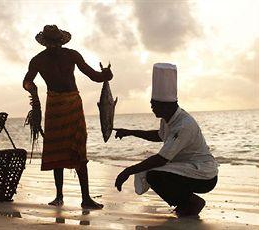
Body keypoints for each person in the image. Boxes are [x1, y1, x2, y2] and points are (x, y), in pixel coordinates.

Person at [23, 25, 113, 209]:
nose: (54, 46)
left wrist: (106, 75)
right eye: (51, 43)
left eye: (56, 42)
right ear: (46, 43)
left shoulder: (72, 55)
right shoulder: (38, 60)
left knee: (78, 149)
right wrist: (32, 89)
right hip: (54, 105)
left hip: (72, 104)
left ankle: (85, 198)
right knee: (56, 151)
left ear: (59, 41)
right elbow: (26, 81)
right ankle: (59, 196)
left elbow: (93, 75)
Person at [114, 63, 218, 217]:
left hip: (204, 175)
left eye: (154, 104)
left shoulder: (184, 125)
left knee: (154, 174)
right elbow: (159, 135)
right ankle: (184, 202)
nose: (152, 107)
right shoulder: (167, 118)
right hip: (188, 168)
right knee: (153, 172)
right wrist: (130, 132)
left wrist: (128, 171)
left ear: (167, 105)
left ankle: (193, 202)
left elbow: (161, 159)